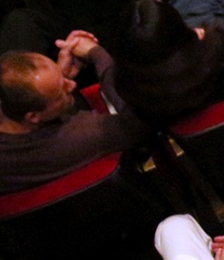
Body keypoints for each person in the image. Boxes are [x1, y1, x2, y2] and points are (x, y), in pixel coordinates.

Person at [0, 34, 149, 194]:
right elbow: (142, 120)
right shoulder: (84, 133)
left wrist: (58, 75)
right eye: (60, 92)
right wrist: (96, 54)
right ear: (33, 116)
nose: (72, 84)